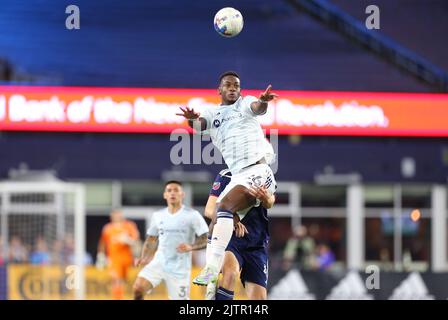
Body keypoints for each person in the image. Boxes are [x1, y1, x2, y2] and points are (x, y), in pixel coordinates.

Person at [177, 71, 278, 286]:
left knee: (223, 207)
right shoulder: (213, 113)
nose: (233, 88)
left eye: (236, 85)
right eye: (228, 85)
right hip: (239, 174)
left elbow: (258, 108)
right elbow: (199, 125)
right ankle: (212, 275)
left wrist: (262, 101)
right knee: (215, 219)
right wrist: (192, 119)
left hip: (257, 169)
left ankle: (211, 268)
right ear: (219, 90)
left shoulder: (245, 104)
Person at [204, 167, 275, 300]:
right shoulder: (227, 175)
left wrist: (266, 198)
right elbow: (209, 209)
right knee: (230, 274)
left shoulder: (263, 171)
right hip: (232, 238)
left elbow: (271, 201)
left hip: (257, 243)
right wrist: (231, 218)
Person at [132, 181, 209, 300]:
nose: (172, 193)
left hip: (180, 267)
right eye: (169, 190)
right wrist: (144, 257)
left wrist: (191, 247)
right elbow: (151, 238)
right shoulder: (158, 215)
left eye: (176, 190)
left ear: (182, 194)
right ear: (165, 195)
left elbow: (206, 237)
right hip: (159, 262)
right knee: (138, 288)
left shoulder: (192, 215)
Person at [97, 209, 140, 300]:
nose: (116, 216)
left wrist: (127, 240)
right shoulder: (107, 228)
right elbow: (103, 243)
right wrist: (100, 255)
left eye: (118, 214)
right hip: (114, 259)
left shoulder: (129, 226)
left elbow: (136, 241)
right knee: (116, 280)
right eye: (114, 215)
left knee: (123, 281)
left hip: (127, 258)